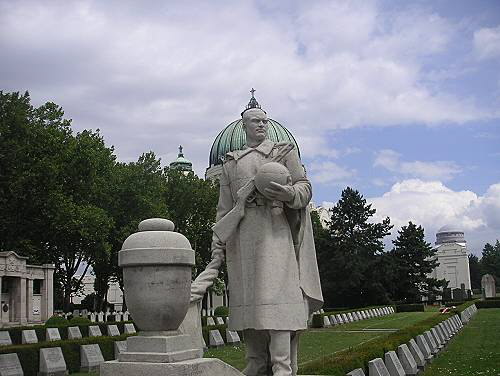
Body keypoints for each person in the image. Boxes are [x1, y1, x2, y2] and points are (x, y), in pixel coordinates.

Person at [191, 92, 323, 376]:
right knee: (251, 315)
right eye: (255, 121)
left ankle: (282, 369)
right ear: (245, 126)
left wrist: (289, 194)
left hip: (276, 236)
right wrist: (218, 248)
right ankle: (256, 367)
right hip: (242, 243)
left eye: (264, 121)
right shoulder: (230, 163)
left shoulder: (284, 151)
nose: (261, 125)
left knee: (278, 307)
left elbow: (305, 186)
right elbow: (223, 210)